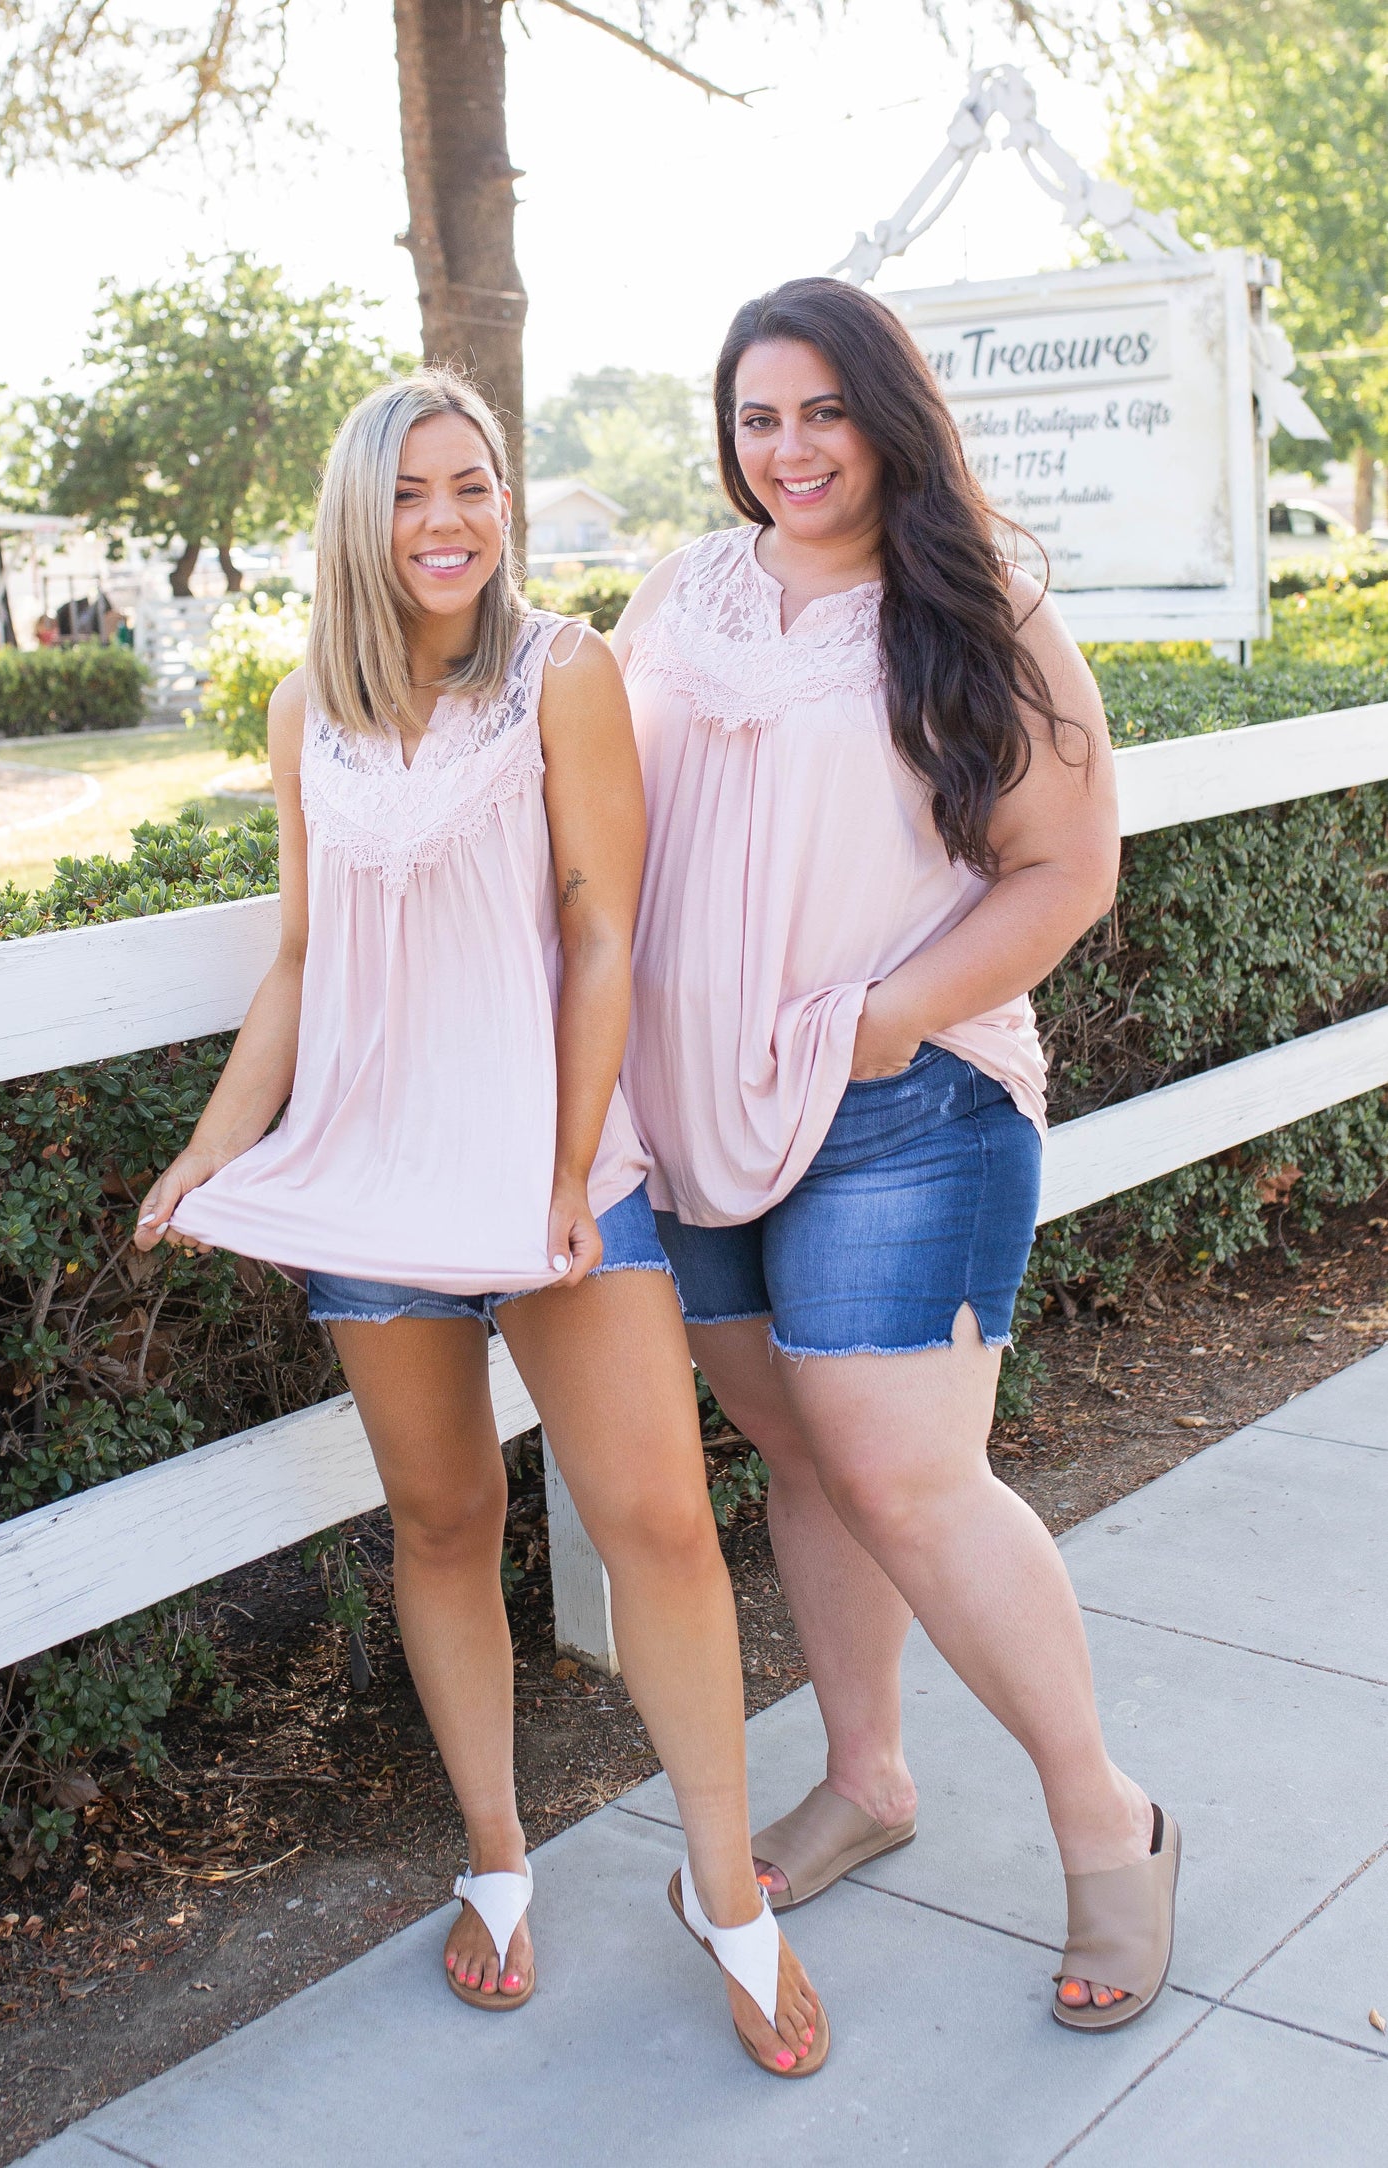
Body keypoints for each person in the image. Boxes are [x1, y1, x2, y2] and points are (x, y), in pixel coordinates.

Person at [134, 370, 827, 2076]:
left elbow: (601, 935)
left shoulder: (562, 675)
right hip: (369, 1181)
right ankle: (497, 1862)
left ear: (505, 501)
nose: (446, 521)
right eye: (410, 492)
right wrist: (212, 1152)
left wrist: (563, 1160)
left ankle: (729, 1891)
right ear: (356, 518)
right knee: (442, 1524)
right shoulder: (310, 706)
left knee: (660, 1522)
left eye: (475, 485)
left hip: (552, 1175)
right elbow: (303, 959)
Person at [614, 278, 1180, 2033]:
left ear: (885, 415)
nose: (786, 449)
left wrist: (873, 1017)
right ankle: (866, 1776)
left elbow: (1062, 868)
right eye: (755, 417)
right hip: (693, 1107)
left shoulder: (974, 600)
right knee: (793, 1441)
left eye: (820, 412)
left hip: (904, 1100)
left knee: (902, 1467)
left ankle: (1110, 1819)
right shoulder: (675, 595)